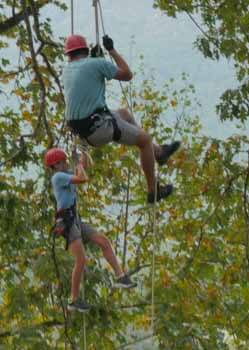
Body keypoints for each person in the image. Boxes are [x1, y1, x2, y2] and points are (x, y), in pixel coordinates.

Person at [62, 34, 180, 203]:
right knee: (144, 140)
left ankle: (158, 152)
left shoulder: (67, 70)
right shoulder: (96, 64)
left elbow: (85, 78)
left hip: (85, 130)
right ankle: (153, 190)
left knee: (124, 113)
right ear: (85, 51)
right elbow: (127, 74)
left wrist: (96, 62)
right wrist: (111, 50)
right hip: (99, 129)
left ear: (69, 55)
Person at [45, 147, 136, 313]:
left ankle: (120, 276)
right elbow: (83, 178)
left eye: (65, 160)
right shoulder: (58, 177)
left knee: (103, 241)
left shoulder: (65, 174)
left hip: (76, 219)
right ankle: (73, 300)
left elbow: (85, 167)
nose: (66, 163)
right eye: (63, 161)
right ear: (56, 165)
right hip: (67, 223)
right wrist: (79, 167)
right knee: (81, 260)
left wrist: (83, 151)